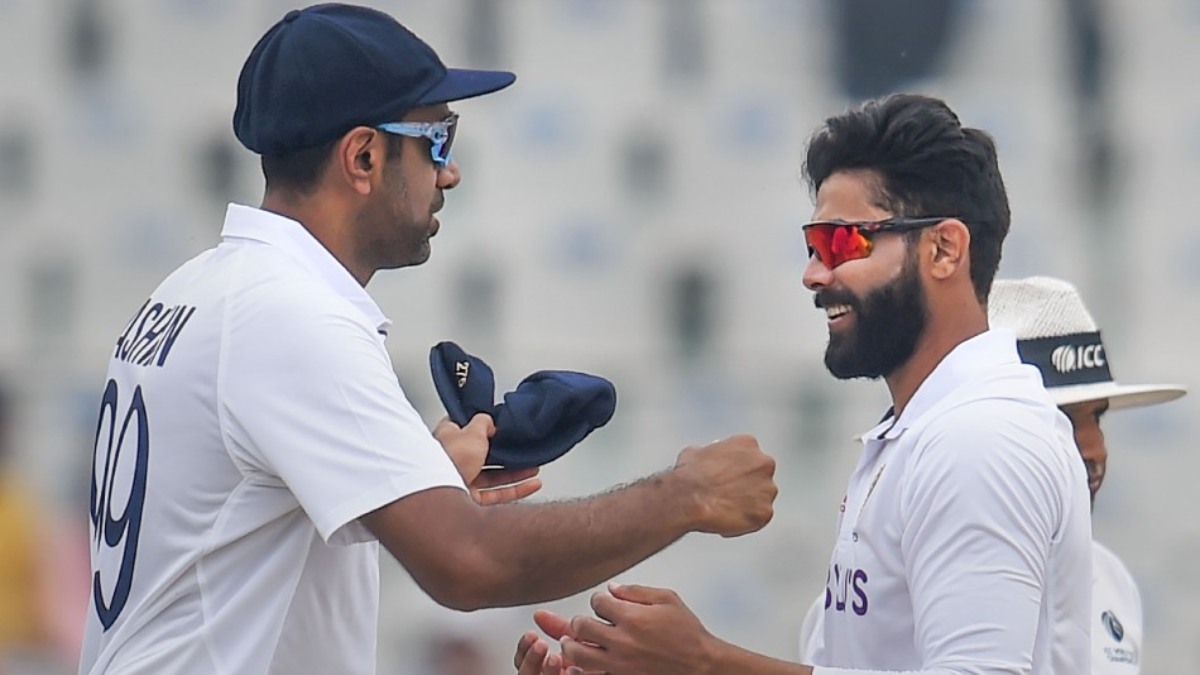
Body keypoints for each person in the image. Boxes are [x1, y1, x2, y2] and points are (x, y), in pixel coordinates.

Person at [78, 5, 778, 674]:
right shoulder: (291, 316)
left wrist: (411, 473)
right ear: (362, 157)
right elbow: (467, 562)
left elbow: (235, 524)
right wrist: (686, 495)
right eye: (436, 139)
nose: (450, 171)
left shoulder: (196, 289)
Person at [514, 93, 1093, 674]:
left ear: (944, 249)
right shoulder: (927, 431)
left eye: (843, 242)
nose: (814, 274)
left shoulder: (982, 435)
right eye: (813, 245)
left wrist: (705, 663)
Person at [989, 275, 1185, 674]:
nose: (1095, 450)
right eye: (1061, 420)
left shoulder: (1112, 582)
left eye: (1097, 418)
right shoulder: (929, 569)